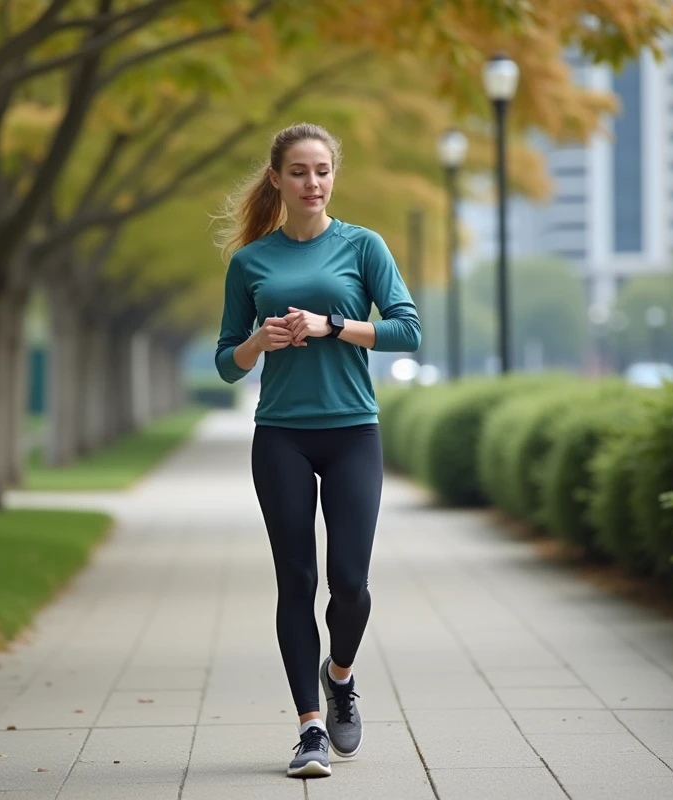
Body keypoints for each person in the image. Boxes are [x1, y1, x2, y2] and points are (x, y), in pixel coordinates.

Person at [212, 122, 421, 778]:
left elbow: (407, 331)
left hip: (353, 431)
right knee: (297, 580)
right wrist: (259, 343)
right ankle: (308, 729)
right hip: (281, 436)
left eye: (323, 170)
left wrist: (334, 325)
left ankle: (340, 675)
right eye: (299, 171)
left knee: (350, 584)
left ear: (334, 176)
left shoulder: (363, 246)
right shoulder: (251, 262)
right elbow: (226, 361)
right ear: (276, 178)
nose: (312, 182)